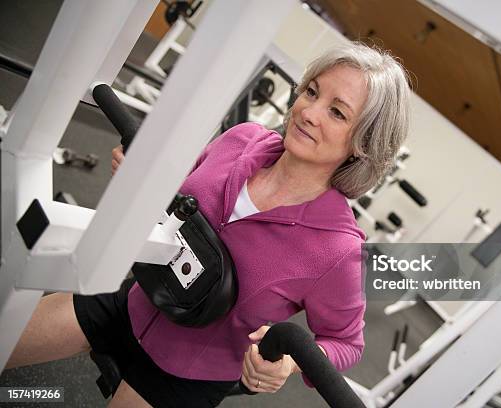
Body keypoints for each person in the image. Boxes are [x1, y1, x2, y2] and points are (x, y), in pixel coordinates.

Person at [6, 41, 411, 407]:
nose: (309, 112)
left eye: (336, 112)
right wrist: (141, 183)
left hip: (186, 374)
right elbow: (178, 201)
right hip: (135, 298)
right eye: (312, 91)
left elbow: (345, 342)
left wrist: (288, 363)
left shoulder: (337, 250)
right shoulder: (242, 139)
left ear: (363, 144)